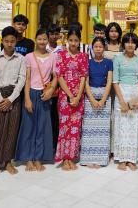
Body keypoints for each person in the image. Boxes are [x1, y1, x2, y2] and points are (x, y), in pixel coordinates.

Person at [0, 26, 26, 176]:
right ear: (2, 41)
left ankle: (8, 161)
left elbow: (22, 80)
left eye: (12, 41)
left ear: (16, 42)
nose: (9, 44)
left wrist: (10, 99)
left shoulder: (21, 58)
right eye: (7, 41)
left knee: (11, 130)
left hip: (14, 97)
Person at [16, 29, 57, 172]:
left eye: (44, 39)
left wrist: (51, 90)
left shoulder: (53, 57)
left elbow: (55, 76)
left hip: (44, 94)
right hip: (32, 92)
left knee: (42, 127)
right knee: (29, 126)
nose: (42, 42)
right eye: (39, 39)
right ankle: (28, 158)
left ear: (48, 40)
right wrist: (27, 98)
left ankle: (39, 158)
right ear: (35, 39)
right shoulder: (28, 56)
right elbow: (27, 79)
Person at [55, 27, 88, 171]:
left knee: (75, 127)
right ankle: (64, 158)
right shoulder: (61, 55)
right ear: (67, 40)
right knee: (64, 126)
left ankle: (72, 157)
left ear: (80, 41)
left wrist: (78, 96)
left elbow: (83, 77)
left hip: (79, 96)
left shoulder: (83, 56)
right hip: (65, 96)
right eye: (71, 40)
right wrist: (70, 95)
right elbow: (59, 76)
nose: (73, 43)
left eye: (76, 40)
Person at [112, 33, 138, 171]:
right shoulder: (117, 59)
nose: (130, 44)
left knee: (133, 126)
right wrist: (121, 101)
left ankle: (132, 158)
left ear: (136, 44)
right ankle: (121, 158)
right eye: (127, 42)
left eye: (133, 42)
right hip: (121, 92)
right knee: (122, 126)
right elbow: (115, 81)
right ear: (123, 44)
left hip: (135, 93)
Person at [79, 37, 113, 168]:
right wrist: (92, 99)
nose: (98, 49)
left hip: (105, 97)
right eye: (96, 47)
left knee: (103, 130)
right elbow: (86, 82)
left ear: (104, 48)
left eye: (100, 47)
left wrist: (103, 100)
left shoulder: (109, 62)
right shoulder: (87, 62)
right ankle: (88, 159)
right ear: (92, 48)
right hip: (90, 97)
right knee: (89, 129)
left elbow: (109, 81)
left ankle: (100, 159)